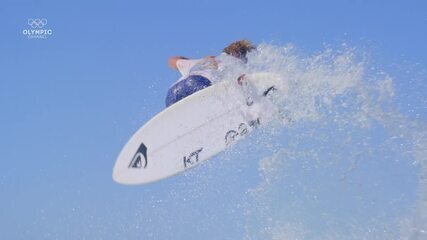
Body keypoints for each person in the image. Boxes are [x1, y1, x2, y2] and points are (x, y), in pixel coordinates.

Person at [165, 40, 255, 107]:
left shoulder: (202, 62)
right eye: (245, 60)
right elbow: (240, 80)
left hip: (172, 93)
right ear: (237, 54)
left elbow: (171, 61)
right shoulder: (233, 62)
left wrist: (195, 61)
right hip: (200, 83)